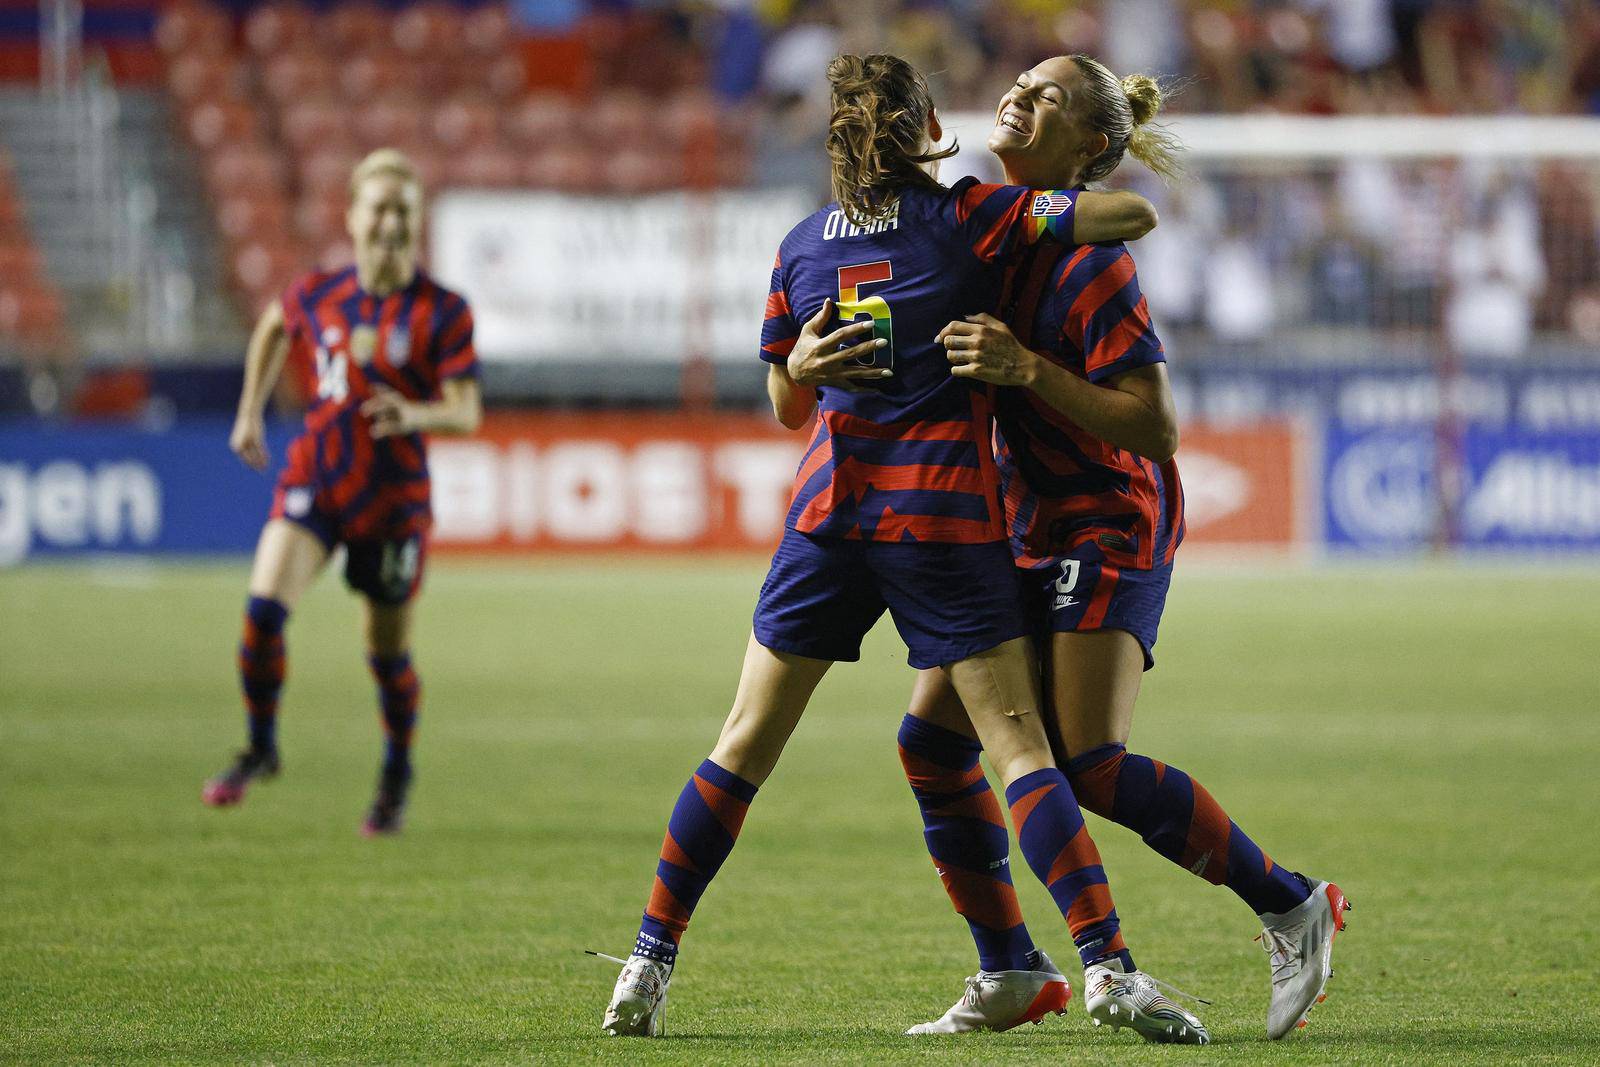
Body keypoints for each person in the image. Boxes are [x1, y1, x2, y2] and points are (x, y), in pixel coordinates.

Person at [601, 53, 1204, 1043]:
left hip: (828, 516)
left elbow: (785, 403)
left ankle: (646, 959)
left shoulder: (800, 246)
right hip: (941, 518)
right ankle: (1108, 966)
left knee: (742, 743)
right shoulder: (968, 218)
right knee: (1015, 747)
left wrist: (799, 358)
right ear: (930, 128)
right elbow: (1125, 220)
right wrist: (1057, 209)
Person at [892, 55, 1348, 1041]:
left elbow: (1155, 425)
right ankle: (1010, 966)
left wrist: (1025, 368)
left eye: (1046, 95)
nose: (1017, 94)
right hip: (1019, 520)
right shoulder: (985, 229)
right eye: (1018, 81)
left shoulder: (1093, 260)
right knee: (931, 741)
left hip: (1107, 515)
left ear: (1089, 147)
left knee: (1089, 761)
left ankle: (1291, 901)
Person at [201, 148, 482, 836]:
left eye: (402, 211)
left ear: (416, 224)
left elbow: (467, 409)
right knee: (263, 610)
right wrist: (249, 409)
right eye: (379, 207)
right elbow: (272, 325)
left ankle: (395, 771)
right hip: (318, 480)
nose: (390, 221)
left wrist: (413, 413)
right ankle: (262, 745)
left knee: (386, 655)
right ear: (353, 217)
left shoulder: (441, 311)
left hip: (392, 502)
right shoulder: (317, 293)